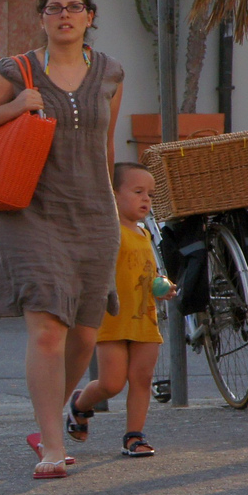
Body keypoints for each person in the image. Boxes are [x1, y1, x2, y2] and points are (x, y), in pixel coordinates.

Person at [0, 0, 124, 480]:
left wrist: (118, 209)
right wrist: (13, 106)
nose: (64, 15)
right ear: (42, 18)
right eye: (54, 8)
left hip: (94, 215)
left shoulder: (110, 72)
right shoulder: (18, 70)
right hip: (32, 214)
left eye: (74, 7)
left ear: (89, 17)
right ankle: (52, 444)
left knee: (84, 336)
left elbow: (106, 146)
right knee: (48, 329)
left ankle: (51, 419)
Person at [68, 162, 164, 457]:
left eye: (150, 194)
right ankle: (80, 405)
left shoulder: (145, 234)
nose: (146, 199)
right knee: (111, 384)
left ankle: (134, 435)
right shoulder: (108, 233)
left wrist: (163, 286)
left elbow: (148, 273)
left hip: (144, 317)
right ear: (113, 195)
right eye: (138, 192)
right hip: (112, 318)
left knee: (142, 379)